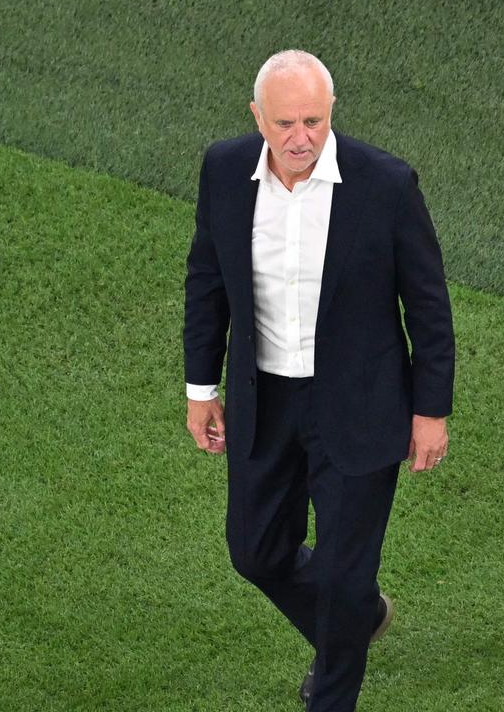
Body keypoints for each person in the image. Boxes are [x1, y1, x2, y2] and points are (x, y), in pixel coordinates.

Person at [182, 49, 455, 712]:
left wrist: (431, 411)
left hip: (361, 406)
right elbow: (207, 281)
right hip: (263, 399)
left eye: (314, 121)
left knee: (342, 573)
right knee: (254, 552)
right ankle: (354, 625)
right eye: (284, 124)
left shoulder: (386, 184)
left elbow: (427, 304)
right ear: (257, 117)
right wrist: (201, 389)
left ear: (331, 112)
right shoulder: (223, 169)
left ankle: (331, 694)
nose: (301, 138)